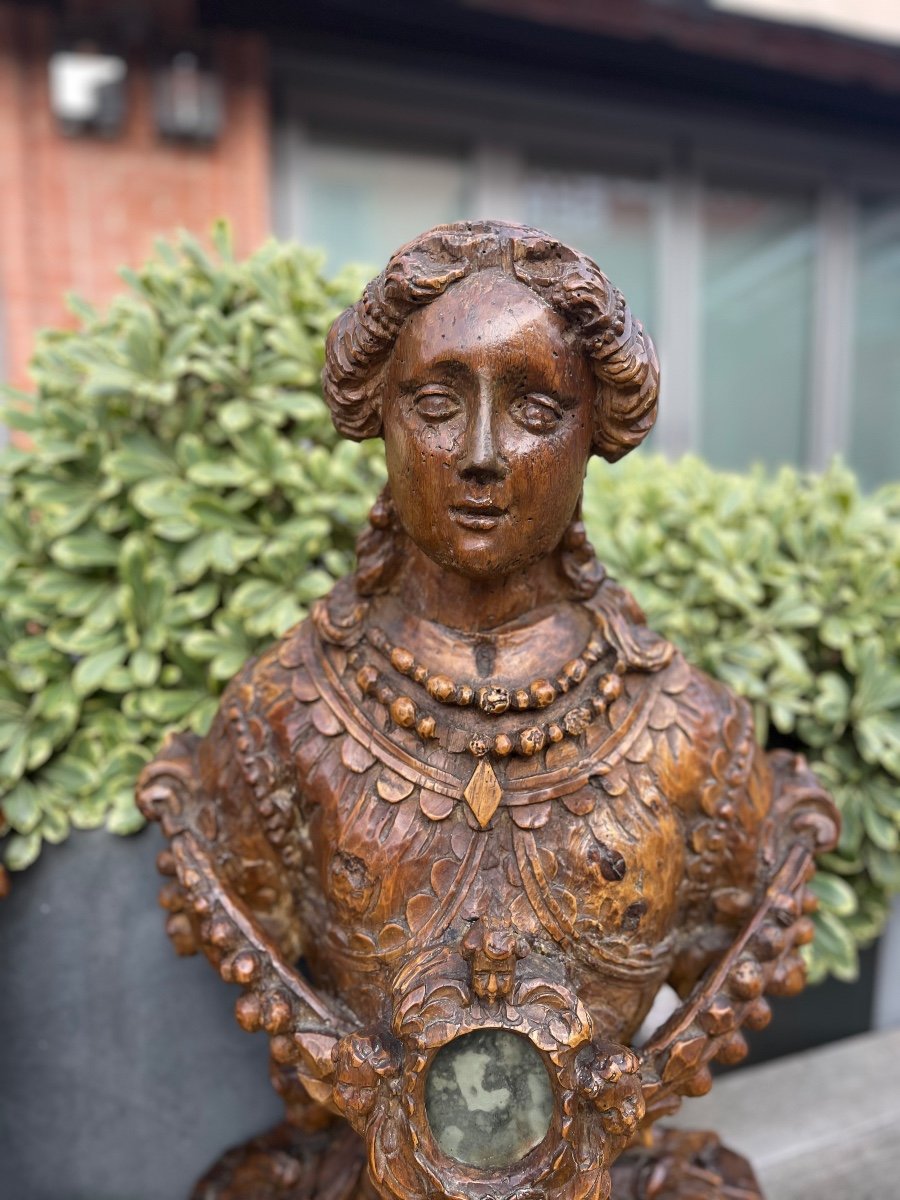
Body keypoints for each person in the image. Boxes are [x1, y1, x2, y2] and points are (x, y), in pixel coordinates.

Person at [139, 221, 837, 1200]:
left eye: (535, 408)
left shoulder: (696, 738)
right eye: (434, 403)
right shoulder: (278, 723)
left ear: (596, 428)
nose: (478, 454)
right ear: (379, 417)